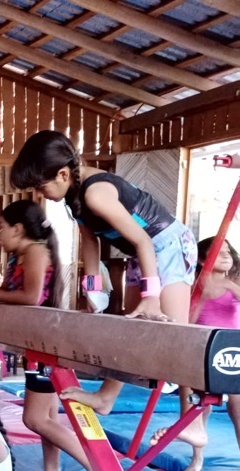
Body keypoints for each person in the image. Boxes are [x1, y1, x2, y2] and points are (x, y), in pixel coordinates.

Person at [10, 130, 199, 439]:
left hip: (167, 246)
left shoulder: (96, 193)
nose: (38, 194)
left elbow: (142, 239)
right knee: (131, 327)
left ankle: (192, 421)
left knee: (177, 336)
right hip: (143, 252)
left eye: (39, 186)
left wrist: (152, 296)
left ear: (61, 173)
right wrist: (92, 290)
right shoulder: (74, 196)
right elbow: (89, 242)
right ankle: (107, 397)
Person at [0, 200, 101, 471]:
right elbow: (13, 295)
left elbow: (31, 296)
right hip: (38, 345)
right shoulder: (22, 255)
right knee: (48, 418)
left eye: (1, 228)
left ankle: (97, 468)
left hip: (47, 347)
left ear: (18, 228)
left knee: (35, 418)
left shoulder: (36, 252)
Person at [151, 237, 240, 471]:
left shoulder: (236, 282)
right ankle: (197, 457)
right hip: (204, 348)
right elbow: (187, 319)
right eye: (217, 251)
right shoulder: (194, 285)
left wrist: (229, 287)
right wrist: (203, 293)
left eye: (228, 251)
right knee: (200, 406)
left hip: (232, 350)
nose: (225, 255)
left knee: (237, 405)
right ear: (202, 259)